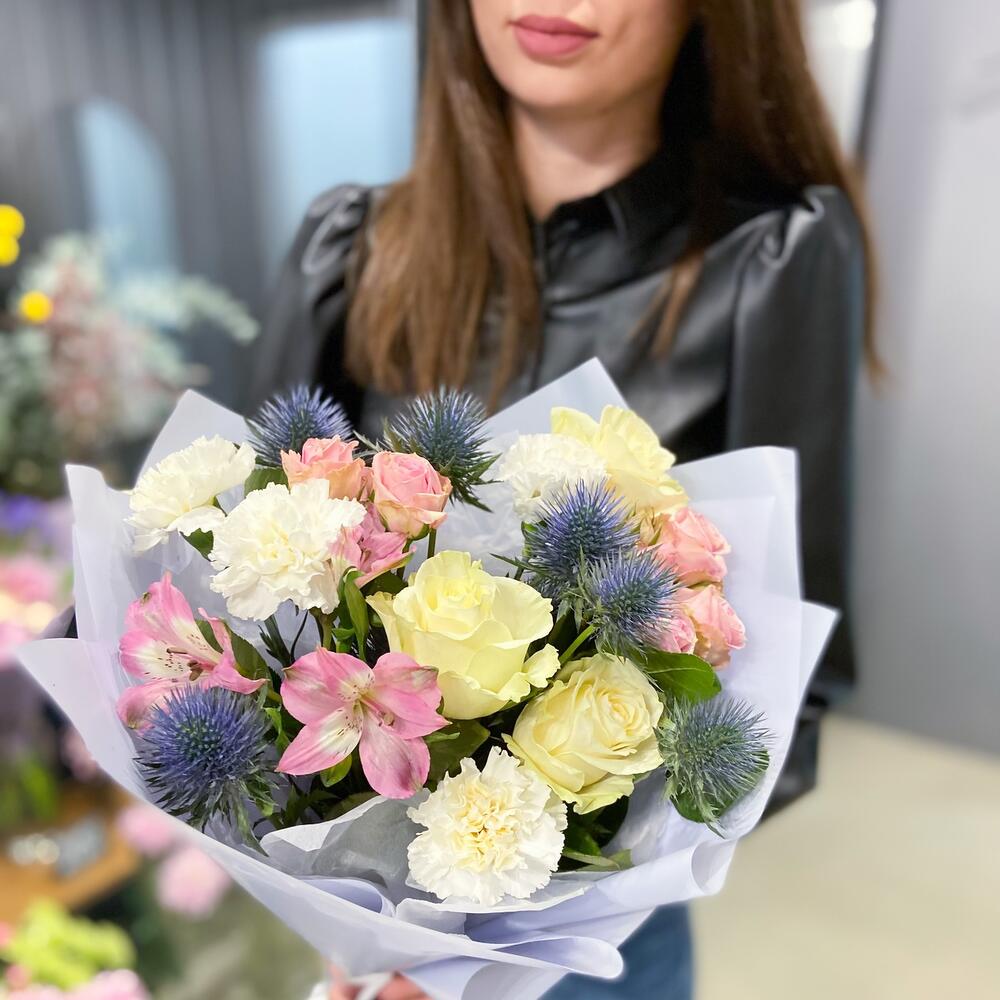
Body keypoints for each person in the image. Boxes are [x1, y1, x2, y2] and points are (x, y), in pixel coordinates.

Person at [253, 2, 874, 997]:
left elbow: (788, 696)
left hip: (588, 940)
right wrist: (366, 906)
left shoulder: (771, 257)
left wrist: (493, 934)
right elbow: (240, 557)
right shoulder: (350, 247)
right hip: (362, 926)